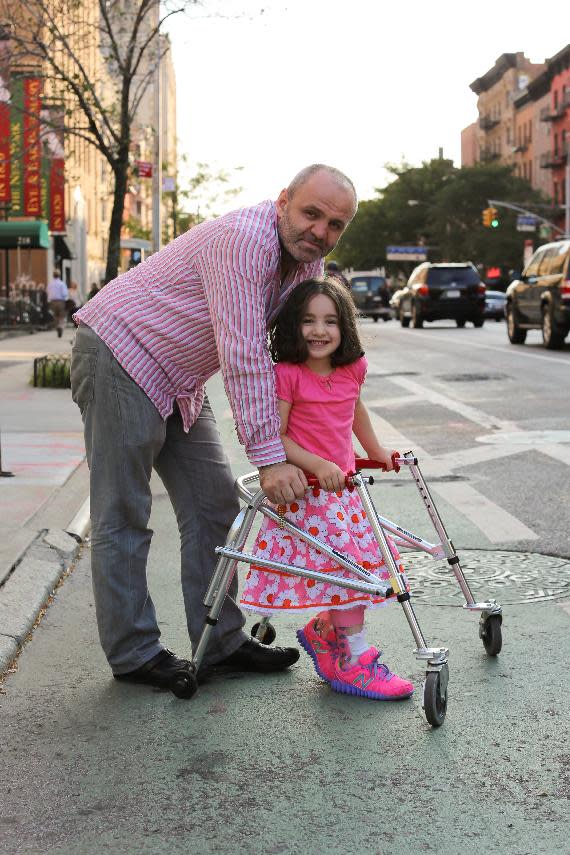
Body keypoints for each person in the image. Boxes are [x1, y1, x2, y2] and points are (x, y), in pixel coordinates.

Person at [71, 164, 358, 697]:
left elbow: (293, 364)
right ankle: (134, 653)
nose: (320, 231)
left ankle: (221, 640)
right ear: (282, 202)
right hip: (120, 354)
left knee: (214, 506)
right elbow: (244, 354)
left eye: (335, 224)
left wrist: (320, 442)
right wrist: (271, 457)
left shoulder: (304, 267)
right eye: (311, 214)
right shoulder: (245, 241)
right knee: (124, 512)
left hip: (178, 378)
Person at [240, 278, 414, 701]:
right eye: (308, 321)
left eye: (330, 321)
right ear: (293, 327)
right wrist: (320, 464)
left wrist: (375, 450)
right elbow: (277, 436)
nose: (320, 330)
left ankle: (327, 631)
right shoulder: (289, 375)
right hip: (310, 494)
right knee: (352, 574)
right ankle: (355, 660)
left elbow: (354, 409)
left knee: (356, 571)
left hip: (347, 496)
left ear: (344, 328)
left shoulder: (353, 368)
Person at [47, 269, 68, 338]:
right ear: (59, 275)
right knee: (62, 316)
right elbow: (65, 294)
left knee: (55, 316)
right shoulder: (61, 284)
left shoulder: (50, 284)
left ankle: (57, 326)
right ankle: (60, 326)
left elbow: (48, 293)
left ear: (53, 275)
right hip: (60, 301)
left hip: (52, 301)